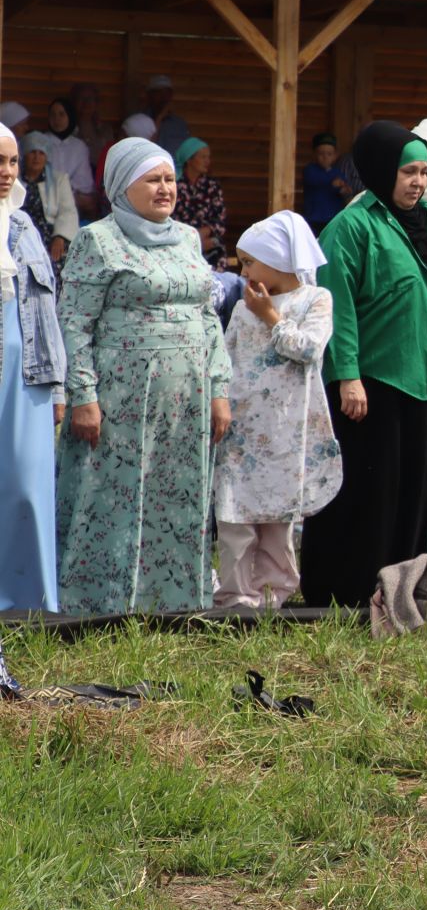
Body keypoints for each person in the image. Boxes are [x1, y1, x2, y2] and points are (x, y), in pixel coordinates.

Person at [56, 137, 233, 615]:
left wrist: (219, 389)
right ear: (120, 186)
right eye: (152, 180)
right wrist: (83, 396)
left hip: (186, 399)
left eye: (170, 179)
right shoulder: (98, 240)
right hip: (119, 400)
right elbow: (73, 321)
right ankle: (103, 603)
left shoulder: (189, 238)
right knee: (115, 496)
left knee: (178, 496)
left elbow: (208, 317)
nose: (165, 189)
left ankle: (173, 602)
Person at [303, 122, 427, 609]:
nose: (418, 182)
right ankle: (349, 590)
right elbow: (339, 305)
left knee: (414, 491)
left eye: (424, 172)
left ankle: (403, 591)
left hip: (424, 381)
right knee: (369, 490)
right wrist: (347, 375)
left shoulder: (424, 225)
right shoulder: (352, 226)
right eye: (407, 172)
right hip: (373, 382)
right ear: (380, 170)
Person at [211, 212, 342, 609]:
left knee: (275, 515)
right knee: (235, 513)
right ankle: (235, 595)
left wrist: (272, 318)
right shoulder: (240, 308)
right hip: (241, 426)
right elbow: (226, 356)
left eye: (250, 262)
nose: (244, 271)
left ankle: (273, 593)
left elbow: (307, 349)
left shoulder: (314, 300)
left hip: (286, 425)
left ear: (279, 259)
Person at [0, 122, 66, 612]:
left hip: (28, 376)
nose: (6, 173)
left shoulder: (24, 229)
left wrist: (58, 386)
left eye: (12, 162)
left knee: (25, 482)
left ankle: (25, 603)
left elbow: (48, 312)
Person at [18, 133, 79, 267]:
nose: (36, 157)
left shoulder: (60, 179)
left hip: (49, 236)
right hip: (19, 234)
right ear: (24, 155)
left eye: (41, 153)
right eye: (32, 152)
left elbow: (67, 211)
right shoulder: (15, 180)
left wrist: (60, 236)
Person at [172, 137, 228, 270]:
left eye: (208, 157)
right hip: (179, 242)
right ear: (189, 159)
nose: (207, 161)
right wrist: (192, 238)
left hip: (208, 242)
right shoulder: (174, 185)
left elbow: (221, 220)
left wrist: (203, 232)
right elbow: (168, 219)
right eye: (203, 157)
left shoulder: (212, 186)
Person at [40, 97, 100, 218]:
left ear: (70, 116)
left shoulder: (79, 146)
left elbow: (85, 182)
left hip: (75, 202)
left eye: (62, 114)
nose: (57, 119)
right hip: (45, 198)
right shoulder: (41, 142)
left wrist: (67, 191)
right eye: (53, 115)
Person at [302, 133, 351, 234]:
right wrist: (332, 183)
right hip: (314, 218)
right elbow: (314, 180)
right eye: (321, 153)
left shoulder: (337, 173)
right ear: (314, 154)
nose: (325, 157)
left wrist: (344, 189)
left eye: (329, 154)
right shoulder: (310, 170)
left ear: (335, 156)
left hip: (333, 218)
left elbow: (344, 188)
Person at [68, 84, 118, 178]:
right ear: (74, 102)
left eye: (90, 98)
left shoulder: (105, 130)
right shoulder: (66, 129)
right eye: (81, 98)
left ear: (96, 103)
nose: (86, 102)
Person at [144, 75, 191, 157]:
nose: (163, 98)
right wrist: (160, 118)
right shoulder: (140, 121)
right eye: (159, 93)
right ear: (149, 96)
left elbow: (187, 153)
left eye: (167, 93)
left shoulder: (179, 124)